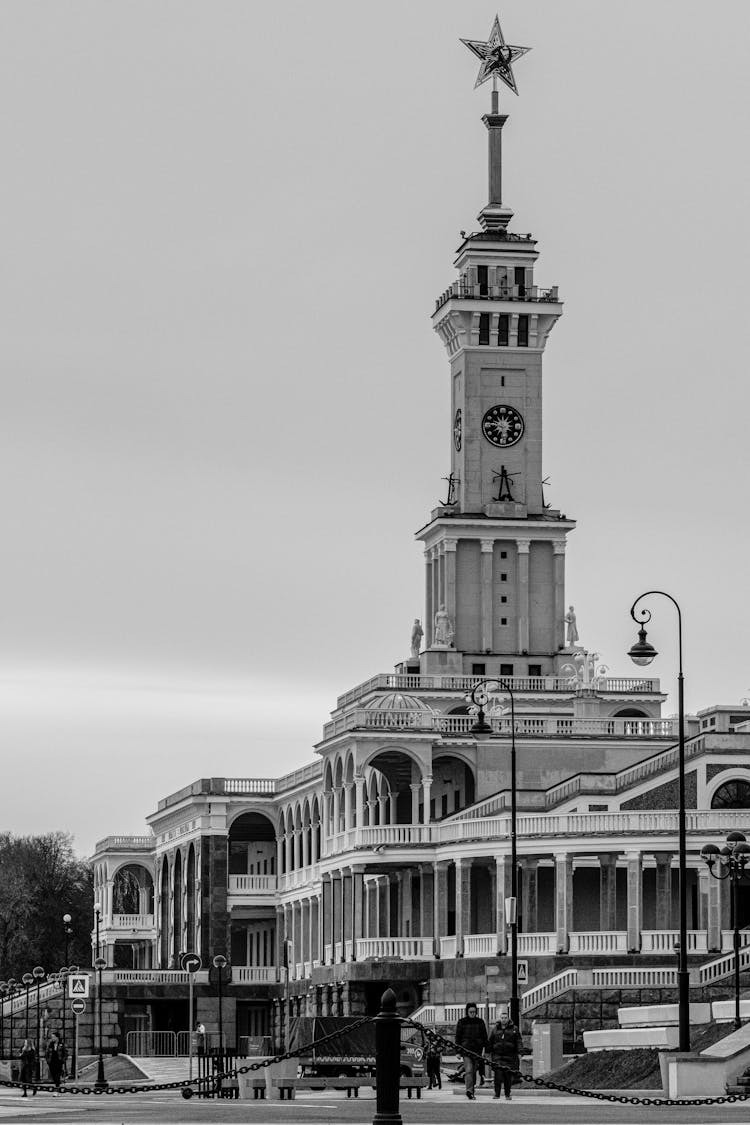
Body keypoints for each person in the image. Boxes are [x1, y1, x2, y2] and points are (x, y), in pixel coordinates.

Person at [486, 1008, 523, 1101]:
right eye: (502, 1018)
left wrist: (520, 1052)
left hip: (509, 1056)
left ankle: (507, 1094)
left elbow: (518, 1041)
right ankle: (497, 1094)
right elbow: (490, 1041)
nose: (504, 1019)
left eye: (505, 1018)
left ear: (508, 1018)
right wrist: (487, 1052)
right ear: (500, 1018)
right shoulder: (495, 1029)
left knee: (507, 1077)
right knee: (498, 1076)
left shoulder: (514, 1029)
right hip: (497, 1056)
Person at [454, 1001, 488, 1100]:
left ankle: (472, 1091)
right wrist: (458, 1051)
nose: (472, 1014)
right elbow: (458, 1037)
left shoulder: (480, 1022)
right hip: (466, 1050)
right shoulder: (462, 1022)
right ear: (467, 1012)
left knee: (473, 1072)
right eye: (470, 1012)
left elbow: (484, 1037)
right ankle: (469, 1090)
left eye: (474, 1012)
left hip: (477, 1050)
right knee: (468, 1070)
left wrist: (486, 1050)